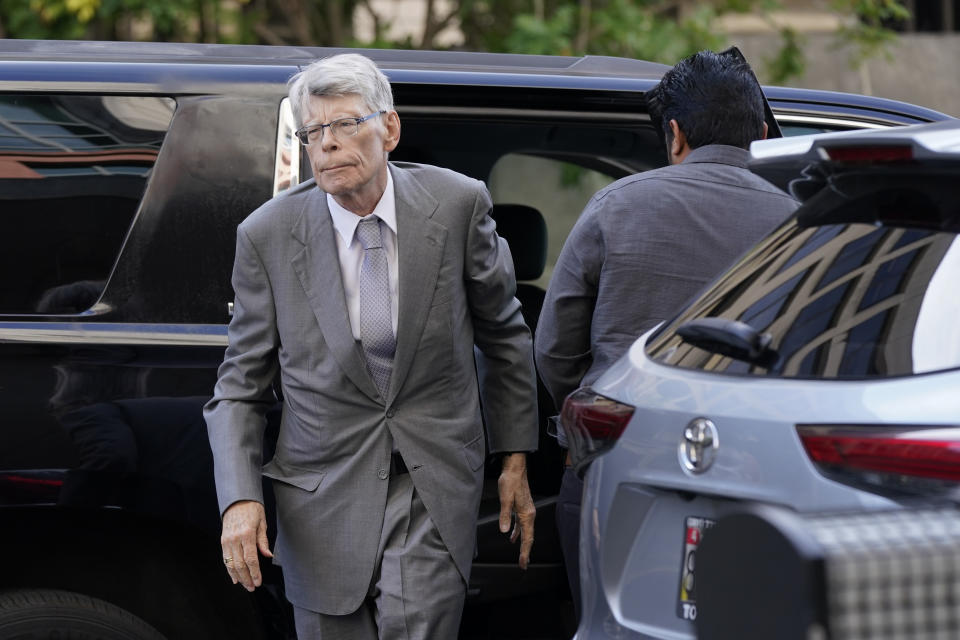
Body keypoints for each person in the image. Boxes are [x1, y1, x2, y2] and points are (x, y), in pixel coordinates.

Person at [204, 53, 538, 639]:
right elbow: (239, 386)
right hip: (320, 492)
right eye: (314, 132)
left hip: (430, 478)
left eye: (345, 124)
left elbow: (504, 335)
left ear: (390, 127)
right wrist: (239, 499)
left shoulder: (456, 205)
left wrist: (514, 458)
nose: (328, 144)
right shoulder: (267, 235)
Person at [534, 49, 800, 621]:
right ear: (760, 133)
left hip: (618, 463)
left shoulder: (616, 206)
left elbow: (554, 347)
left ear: (674, 134)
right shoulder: (802, 223)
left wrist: (583, 416)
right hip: (762, 473)